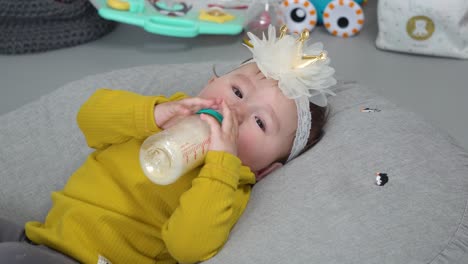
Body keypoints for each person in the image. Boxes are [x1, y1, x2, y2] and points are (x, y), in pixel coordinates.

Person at [0, 25, 336, 264]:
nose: (235, 110)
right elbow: (89, 120)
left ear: (265, 170)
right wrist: (153, 114)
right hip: (39, 236)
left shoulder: (227, 187)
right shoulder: (165, 112)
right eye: (236, 91)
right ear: (210, 83)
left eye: (260, 122)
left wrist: (220, 166)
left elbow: (187, 247)